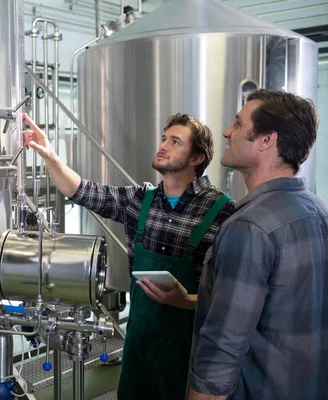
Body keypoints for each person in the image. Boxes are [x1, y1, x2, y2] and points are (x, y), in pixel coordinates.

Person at [22, 112, 235, 400]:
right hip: (139, 344)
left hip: (191, 349)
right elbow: (81, 191)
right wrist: (50, 156)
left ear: (196, 158)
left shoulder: (224, 212)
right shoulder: (139, 200)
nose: (163, 146)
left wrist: (185, 301)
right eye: (163, 139)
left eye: (175, 142)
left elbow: (230, 297)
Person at [188, 89, 328, 400]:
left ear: (266, 140)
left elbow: (221, 352)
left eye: (238, 124)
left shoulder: (249, 227)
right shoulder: (318, 211)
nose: (226, 131)